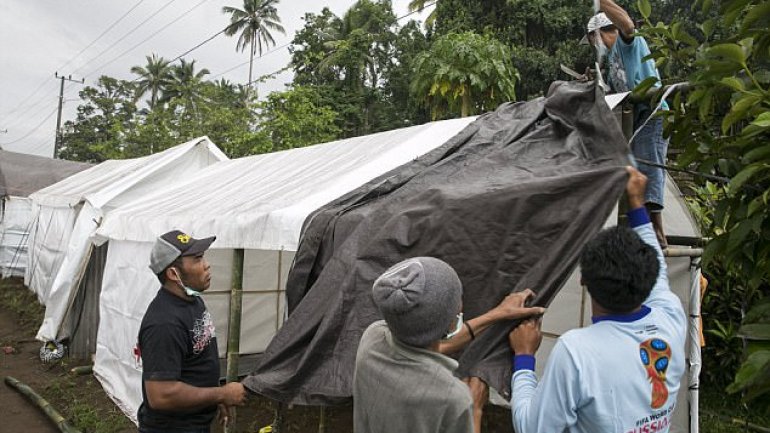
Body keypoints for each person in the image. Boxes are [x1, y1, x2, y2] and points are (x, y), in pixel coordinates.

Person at [509, 167, 686, 432]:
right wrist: (637, 202)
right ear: (647, 276)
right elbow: (658, 269)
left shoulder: (577, 352)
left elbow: (533, 428)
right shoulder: (670, 317)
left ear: (583, 281)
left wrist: (523, 358)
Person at [353, 257, 544, 433]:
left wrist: (497, 314)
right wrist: (475, 409)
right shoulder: (450, 397)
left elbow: (424, 347)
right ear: (451, 321)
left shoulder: (372, 340)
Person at [136, 230, 246, 433]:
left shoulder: (192, 301)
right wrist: (221, 394)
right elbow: (161, 395)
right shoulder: (164, 324)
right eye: (196, 259)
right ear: (172, 274)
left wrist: (212, 400)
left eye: (202, 256)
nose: (206, 264)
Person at [583, 0, 670, 248]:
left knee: (649, 168)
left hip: (653, 114)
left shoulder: (628, 43)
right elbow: (613, 93)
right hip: (635, 120)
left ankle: (657, 232)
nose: (593, 44)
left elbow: (628, 26)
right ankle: (644, 228)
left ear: (600, 34)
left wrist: (602, 2)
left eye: (594, 38)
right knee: (632, 170)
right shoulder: (610, 61)